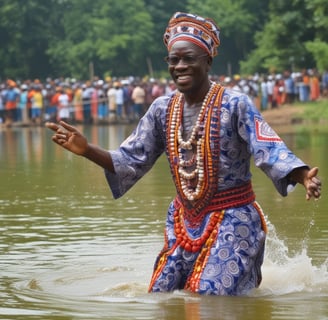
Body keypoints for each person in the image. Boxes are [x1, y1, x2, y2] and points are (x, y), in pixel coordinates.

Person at [46, 12, 321, 296]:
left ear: (208, 61)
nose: (179, 66)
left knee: (209, 297)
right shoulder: (162, 109)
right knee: (159, 295)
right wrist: (86, 149)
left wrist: (302, 175)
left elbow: (268, 147)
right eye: (173, 60)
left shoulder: (234, 104)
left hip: (233, 218)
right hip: (183, 222)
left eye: (188, 58)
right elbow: (129, 161)